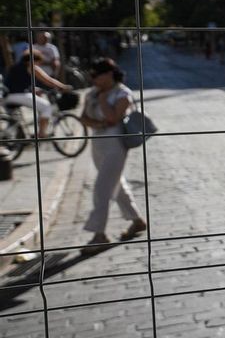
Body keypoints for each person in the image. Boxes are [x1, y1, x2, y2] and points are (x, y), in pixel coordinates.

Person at [79, 58, 146, 250]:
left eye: (96, 75)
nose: (93, 80)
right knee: (115, 183)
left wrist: (102, 101)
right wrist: (99, 124)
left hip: (116, 144)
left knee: (102, 188)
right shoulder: (92, 93)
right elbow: (83, 118)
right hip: (98, 142)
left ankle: (99, 234)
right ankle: (137, 220)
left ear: (109, 74)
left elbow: (113, 118)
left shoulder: (122, 93)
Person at [3, 51, 71, 138]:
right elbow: (48, 80)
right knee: (46, 106)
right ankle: (41, 133)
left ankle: (16, 136)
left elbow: (17, 83)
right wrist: (63, 87)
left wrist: (34, 90)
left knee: (15, 119)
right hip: (15, 95)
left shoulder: (17, 66)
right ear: (33, 60)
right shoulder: (31, 67)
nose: (38, 65)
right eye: (38, 62)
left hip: (7, 95)